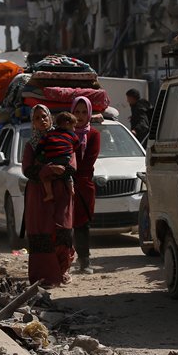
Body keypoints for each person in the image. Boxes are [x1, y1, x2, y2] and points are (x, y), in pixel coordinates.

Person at [21, 104, 76, 287]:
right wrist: (49, 170)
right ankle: (44, 276)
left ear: (50, 118)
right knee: (42, 234)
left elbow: (71, 165)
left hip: (62, 192)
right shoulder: (31, 145)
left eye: (44, 116)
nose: (42, 120)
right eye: (37, 118)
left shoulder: (64, 137)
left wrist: (60, 171)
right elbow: (28, 170)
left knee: (63, 230)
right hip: (38, 195)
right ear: (33, 123)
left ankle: (63, 270)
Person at [71, 96, 101, 275]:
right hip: (65, 185)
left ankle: (84, 261)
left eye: (84, 112)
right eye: (77, 111)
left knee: (82, 224)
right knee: (64, 225)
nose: (80, 116)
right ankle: (63, 261)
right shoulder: (64, 133)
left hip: (83, 185)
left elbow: (89, 161)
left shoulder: (93, 135)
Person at [33, 111, 80, 203]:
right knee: (68, 176)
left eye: (44, 116)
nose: (74, 129)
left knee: (45, 176)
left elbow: (40, 147)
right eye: (73, 126)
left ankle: (49, 193)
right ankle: (71, 189)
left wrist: (39, 157)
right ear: (67, 124)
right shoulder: (72, 135)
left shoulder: (49, 134)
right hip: (65, 158)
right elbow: (77, 145)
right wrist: (69, 150)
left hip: (51, 159)